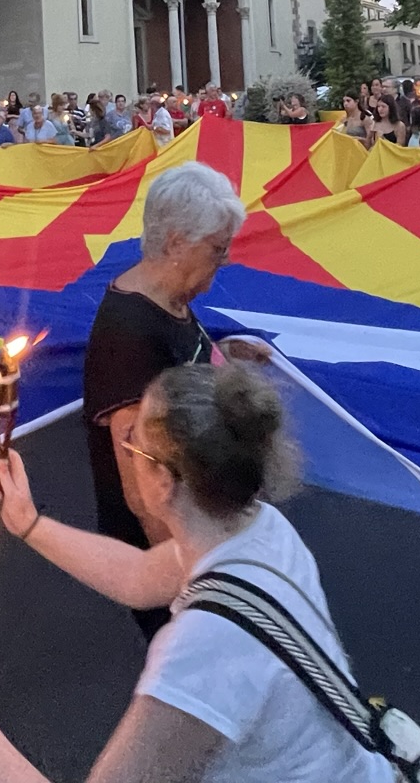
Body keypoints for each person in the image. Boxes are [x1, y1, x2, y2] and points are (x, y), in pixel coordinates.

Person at [0, 363, 396, 783]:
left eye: (134, 444)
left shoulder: (203, 651)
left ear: (164, 480)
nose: (124, 450)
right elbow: (142, 576)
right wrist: (29, 524)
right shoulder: (261, 530)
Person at [81, 162, 245, 639]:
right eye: (218, 248)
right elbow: (142, 493)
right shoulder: (126, 336)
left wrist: (226, 356)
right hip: (174, 552)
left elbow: (186, 354)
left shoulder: (169, 295)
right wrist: (192, 590)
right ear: (176, 244)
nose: (227, 258)